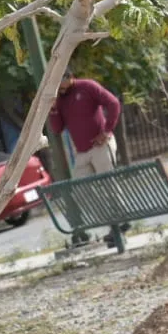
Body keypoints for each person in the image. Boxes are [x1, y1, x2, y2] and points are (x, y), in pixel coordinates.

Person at [48, 69, 129, 247]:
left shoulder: (87, 86)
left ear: (69, 77)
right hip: (82, 152)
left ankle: (120, 225)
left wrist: (106, 131)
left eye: (60, 83)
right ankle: (111, 223)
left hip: (100, 146)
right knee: (81, 190)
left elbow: (113, 103)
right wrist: (53, 110)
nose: (58, 88)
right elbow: (57, 129)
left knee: (109, 185)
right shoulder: (60, 99)